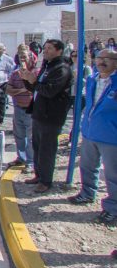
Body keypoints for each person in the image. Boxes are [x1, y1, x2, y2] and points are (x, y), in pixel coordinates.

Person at [67, 49, 117, 225]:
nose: (101, 62)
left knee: (112, 175)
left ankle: (113, 208)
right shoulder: (92, 80)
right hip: (90, 132)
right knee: (88, 166)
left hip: (111, 136)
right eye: (99, 58)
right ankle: (87, 193)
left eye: (107, 59)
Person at [20, 39, 72, 193]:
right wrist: (27, 79)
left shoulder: (61, 69)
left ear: (59, 50)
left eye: (49, 48)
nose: (46, 50)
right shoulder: (47, 66)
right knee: (37, 147)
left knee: (47, 150)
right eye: (45, 48)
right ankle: (38, 175)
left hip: (51, 117)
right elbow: (36, 88)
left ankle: (46, 181)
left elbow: (49, 91)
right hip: (39, 113)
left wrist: (34, 81)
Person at [6, 50, 39, 174]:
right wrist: (22, 90)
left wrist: (20, 89)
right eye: (20, 57)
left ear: (31, 58)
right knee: (19, 135)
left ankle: (30, 162)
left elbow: (33, 90)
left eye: (25, 57)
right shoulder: (15, 74)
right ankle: (21, 157)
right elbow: (8, 90)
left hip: (31, 110)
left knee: (30, 137)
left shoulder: (36, 72)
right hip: (18, 108)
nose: (22, 60)